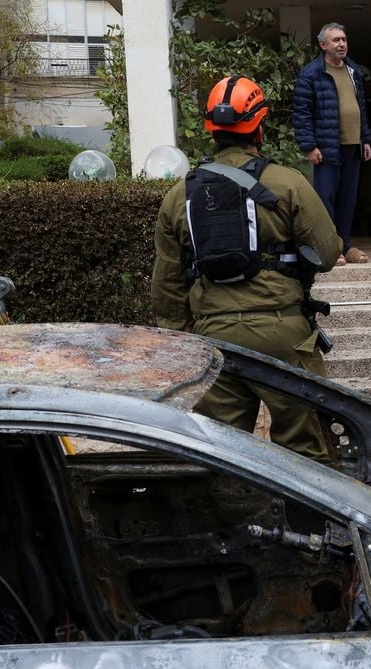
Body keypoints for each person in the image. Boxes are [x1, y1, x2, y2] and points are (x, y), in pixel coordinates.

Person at [152, 75, 341, 462]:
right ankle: (307, 523)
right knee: (308, 453)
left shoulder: (178, 197)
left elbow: (167, 285)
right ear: (260, 126)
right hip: (284, 336)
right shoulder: (289, 184)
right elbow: (326, 253)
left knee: (223, 456)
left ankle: (237, 521)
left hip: (215, 339)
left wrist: (183, 337)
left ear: (210, 131)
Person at [292, 22, 371, 266]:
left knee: (348, 199)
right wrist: (309, 146)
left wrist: (366, 139)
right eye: (336, 40)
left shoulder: (353, 71)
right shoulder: (311, 74)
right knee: (325, 199)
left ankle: (345, 246)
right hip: (326, 147)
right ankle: (330, 249)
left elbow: (361, 109)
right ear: (323, 45)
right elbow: (302, 113)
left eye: (344, 39)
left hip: (353, 145)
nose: (342, 44)